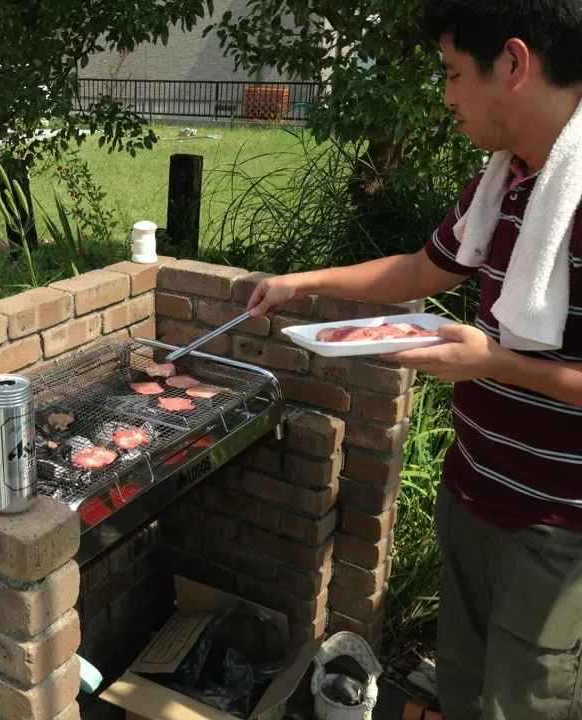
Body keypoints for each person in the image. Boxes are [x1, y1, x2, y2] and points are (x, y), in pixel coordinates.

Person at [248, 1, 582, 717]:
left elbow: (501, 358)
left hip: (554, 529)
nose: (446, 95)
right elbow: (417, 272)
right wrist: (298, 284)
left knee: (523, 706)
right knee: (463, 692)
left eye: (453, 73)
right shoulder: (506, 178)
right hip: (473, 494)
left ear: (516, 64)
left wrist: (492, 362)